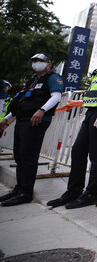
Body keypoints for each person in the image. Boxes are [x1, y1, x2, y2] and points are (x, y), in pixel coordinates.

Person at [47, 35, 97, 209]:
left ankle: (92, 193)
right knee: (78, 150)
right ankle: (74, 191)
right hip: (91, 112)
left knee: (96, 153)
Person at [0, 54, 63, 206]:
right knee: (19, 155)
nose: (36, 64)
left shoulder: (53, 78)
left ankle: (26, 192)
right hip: (22, 120)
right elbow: (21, 103)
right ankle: (18, 188)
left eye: (40, 61)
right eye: (34, 61)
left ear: (49, 64)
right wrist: (6, 119)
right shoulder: (32, 80)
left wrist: (42, 110)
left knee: (28, 156)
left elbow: (56, 96)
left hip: (36, 121)